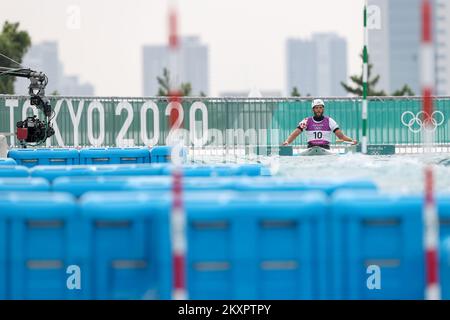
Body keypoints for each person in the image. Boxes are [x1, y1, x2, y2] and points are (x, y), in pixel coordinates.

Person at [282, 99, 357, 149]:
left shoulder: (330, 121)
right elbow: (295, 134)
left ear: (323, 109)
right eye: (316, 108)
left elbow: (341, 137)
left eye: (320, 108)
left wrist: (352, 140)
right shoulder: (306, 121)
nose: (318, 110)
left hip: (325, 148)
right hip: (311, 147)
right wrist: (287, 141)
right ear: (313, 109)